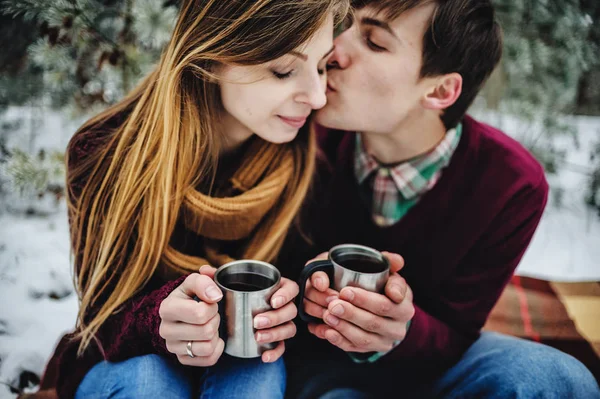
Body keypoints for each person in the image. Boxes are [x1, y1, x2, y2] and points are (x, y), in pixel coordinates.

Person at [27, 0, 349, 398]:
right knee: (150, 380)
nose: (317, 97)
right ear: (212, 57)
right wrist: (158, 319)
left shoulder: (307, 159)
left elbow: (304, 324)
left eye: (322, 66)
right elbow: (99, 321)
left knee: (257, 374)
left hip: (247, 366)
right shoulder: (106, 155)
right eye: (284, 71)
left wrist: (294, 309)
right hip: (125, 365)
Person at [283, 0, 600, 397]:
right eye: (343, 26)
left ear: (440, 90)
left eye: (375, 42)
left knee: (558, 377)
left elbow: (457, 330)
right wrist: (309, 289)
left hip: (435, 362)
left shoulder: (511, 184)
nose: (333, 50)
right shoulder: (296, 133)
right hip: (321, 358)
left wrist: (401, 329)